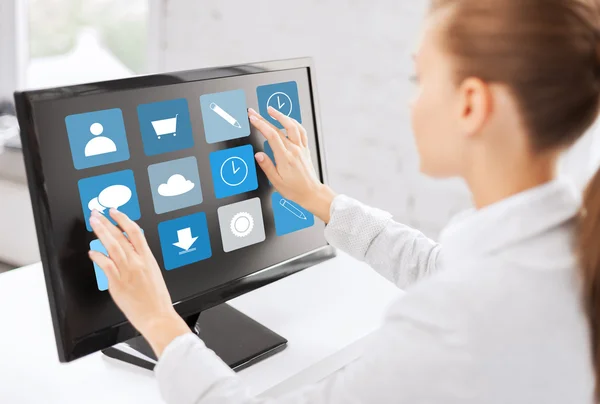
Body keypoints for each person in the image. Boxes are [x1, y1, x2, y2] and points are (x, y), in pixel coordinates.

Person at [87, 0, 600, 402]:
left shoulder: (458, 323)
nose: (412, 101)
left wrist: (156, 318)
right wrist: (319, 198)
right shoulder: (565, 251)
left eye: (419, 80)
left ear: (470, 104)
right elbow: (438, 268)